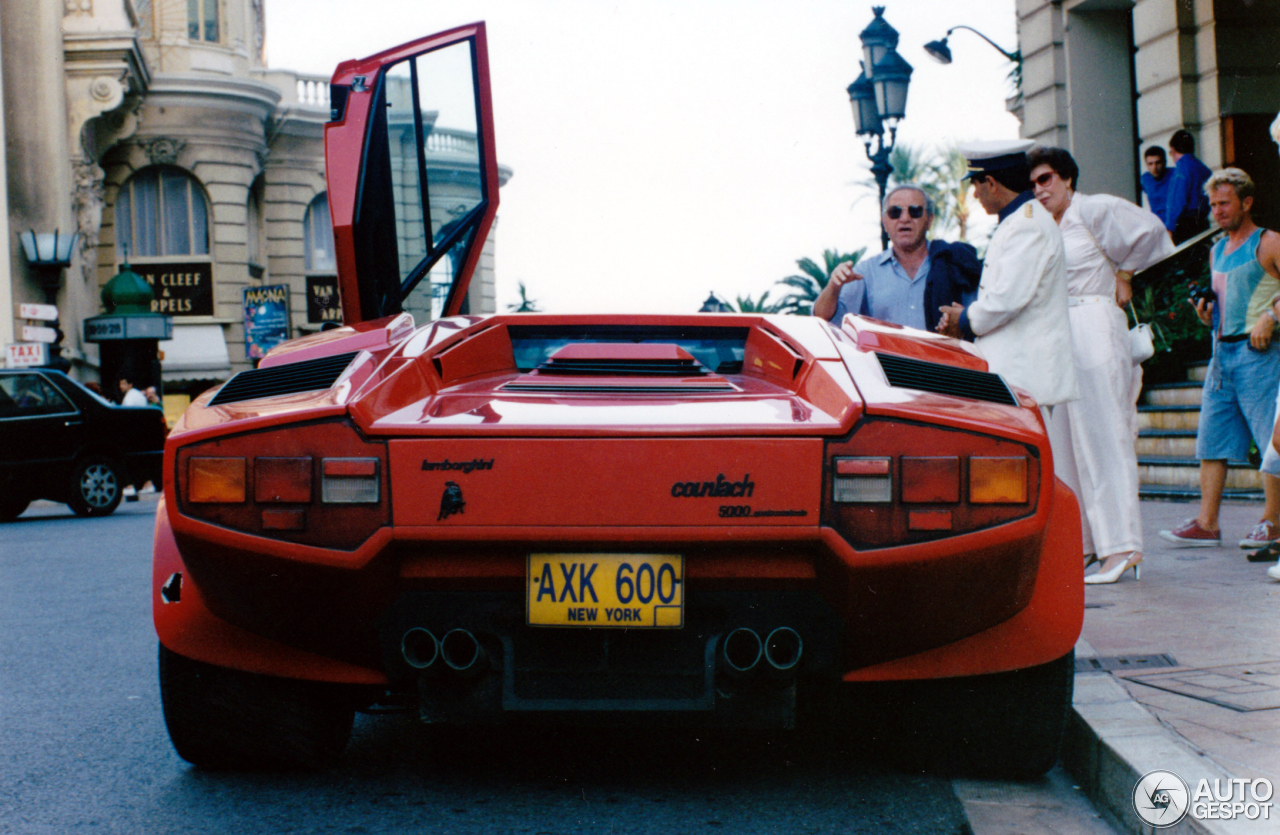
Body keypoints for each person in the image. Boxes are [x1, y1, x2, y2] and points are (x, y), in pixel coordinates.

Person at [1027, 146, 1174, 584]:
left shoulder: (1094, 209)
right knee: (1069, 442)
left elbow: (1151, 231)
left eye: (1047, 178)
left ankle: (1123, 547)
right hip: (1061, 334)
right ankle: (1087, 545)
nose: (1040, 189)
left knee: (1106, 437)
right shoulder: (1044, 227)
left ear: (1068, 178)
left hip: (1095, 323)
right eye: (1034, 183)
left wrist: (1125, 274)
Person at [1159, 168, 1280, 550]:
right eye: (1213, 204)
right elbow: (1223, 296)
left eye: (1224, 203)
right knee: (1212, 441)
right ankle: (1207, 524)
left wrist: (1272, 315)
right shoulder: (1216, 249)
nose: (1218, 211)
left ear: (1246, 202)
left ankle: (1272, 522)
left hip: (1260, 353)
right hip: (1221, 353)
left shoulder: (1269, 242)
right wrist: (1204, 312)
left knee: (1271, 442)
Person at [936, 140, 1078, 425]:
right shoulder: (1019, 221)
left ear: (991, 182)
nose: (975, 194)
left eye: (976, 185)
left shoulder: (1027, 225)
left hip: (1024, 377)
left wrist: (961, 320)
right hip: (1017, 375)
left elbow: (1006, 299)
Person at [814, 184, 981, 332]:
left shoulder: (953, 262)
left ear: (929, 220)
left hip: (944, 365)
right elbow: (823, 319)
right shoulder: (866, 272)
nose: (905, 218)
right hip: (886, 367)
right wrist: (833, 287)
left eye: (914, 211)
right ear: (885, 222)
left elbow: (978, 318)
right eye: (895, 212)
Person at [1163, 129, 1213, 243]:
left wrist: (1170, 227)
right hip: (1202, 220)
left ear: (1173, 150)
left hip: (1185, 224)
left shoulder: (1181, 170)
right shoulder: (1203, 169)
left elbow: (1177, 201)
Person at [1139, 146, 1173, 221]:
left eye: (1158, 163)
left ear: (1164, 162)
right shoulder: (1144, 179)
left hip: (1175, 223)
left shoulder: (1175, 176)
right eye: (1150, 164)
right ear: (1146, 164)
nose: (1154, 167)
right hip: (1157, 223)